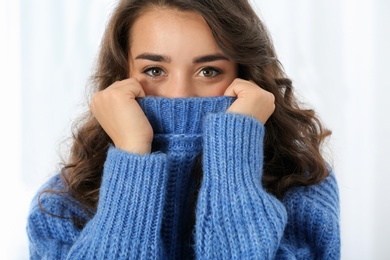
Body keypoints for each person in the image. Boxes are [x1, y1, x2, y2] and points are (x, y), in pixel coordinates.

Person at [26, 0, 340, 259]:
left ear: (246, 77)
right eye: (154, 70)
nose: (179, 94)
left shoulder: (303, 182)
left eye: (208, 71)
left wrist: (232, 157)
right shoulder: (64, 200)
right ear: (121, 78)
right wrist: (132, 157)